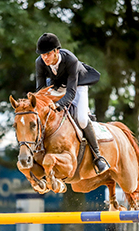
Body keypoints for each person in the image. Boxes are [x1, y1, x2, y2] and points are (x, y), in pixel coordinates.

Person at [35, 33, 109, 174]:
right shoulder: (40, 62)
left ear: (57, 51)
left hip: (77, 86)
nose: (45, 58)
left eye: (48, 54)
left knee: (81, 119)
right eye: (42, 54)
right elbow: (40, 90)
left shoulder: (71, 60)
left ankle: (98, 157)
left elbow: (71, 93)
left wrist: (58, 105)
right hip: (56, 86)